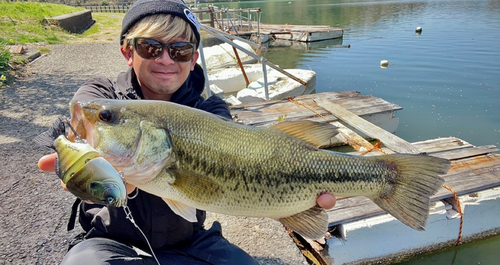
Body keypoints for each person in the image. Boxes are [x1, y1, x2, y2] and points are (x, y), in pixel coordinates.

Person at [38, 0, 337, 264]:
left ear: (193, 59)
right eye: (150, 47)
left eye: (180, 50)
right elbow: (77, 122)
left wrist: (288, 203)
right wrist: (90, 180)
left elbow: (233, 179)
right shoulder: (100, 96)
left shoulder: (212, 111)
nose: (166, 59)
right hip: (109, 243)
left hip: (190, 242)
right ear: (128, 52)